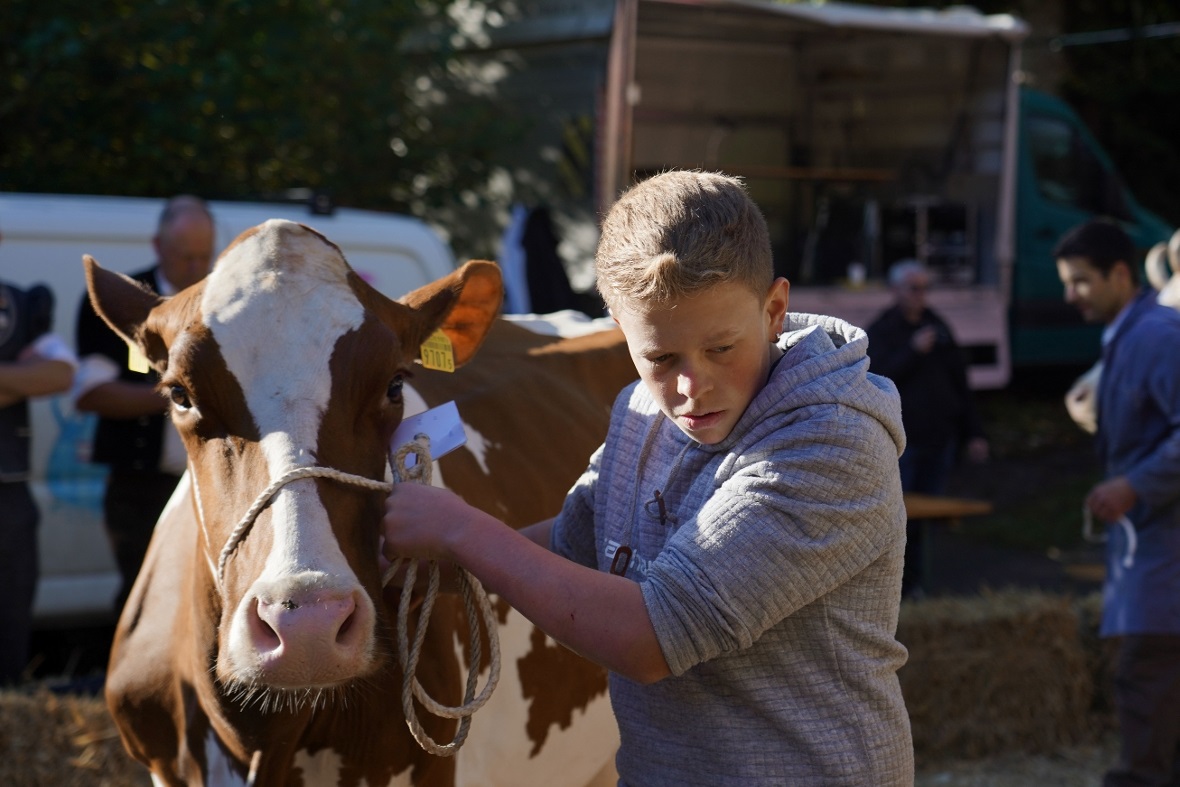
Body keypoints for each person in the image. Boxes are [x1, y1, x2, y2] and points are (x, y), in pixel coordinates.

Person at [383, 171, 913, 784]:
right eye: (661, 357)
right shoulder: (642, 411)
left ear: (773, 311)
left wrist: (458, 530)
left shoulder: (831, 443)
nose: (691, 387)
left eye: (721, 348)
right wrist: (407, 567)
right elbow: (576, 541)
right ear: (618, 328)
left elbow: (651, 639)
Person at [1055, 218, 1180, 787]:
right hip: (1149, 549)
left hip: (1166, 554)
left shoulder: (1158, 337)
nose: (1070, 295)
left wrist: (1134, 484)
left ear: (1121, 275)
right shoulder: (1130, 336)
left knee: (1144, 675)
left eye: (1081, 280)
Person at [74, 195, 215, 612]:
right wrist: (181, 396)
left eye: (204, 256)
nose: (196, 267)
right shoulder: (125, 303)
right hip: (141, 485)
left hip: (213, 480)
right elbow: (91, 394)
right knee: (145, 598)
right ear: (158, 246)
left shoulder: (227, 302)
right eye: (185, 256)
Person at [866, 258, 989, 596]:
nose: (920, 296)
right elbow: (875, 379)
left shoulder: (938, 326)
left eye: (925, 289)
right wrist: (912, 351)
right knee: (898, 515)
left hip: (939, 438)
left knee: (928, 516)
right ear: (896, 290)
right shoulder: (882, 331)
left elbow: (960, 383)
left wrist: (974, 433)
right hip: (903, 442)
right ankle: (895, 586)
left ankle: (919, 582)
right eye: (913, 288)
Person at [1, 246, 77, 685]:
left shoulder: (22, 304)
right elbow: (40, 376)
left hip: (10, 494)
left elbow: (61, 374)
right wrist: (19, 375)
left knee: (11, 620)